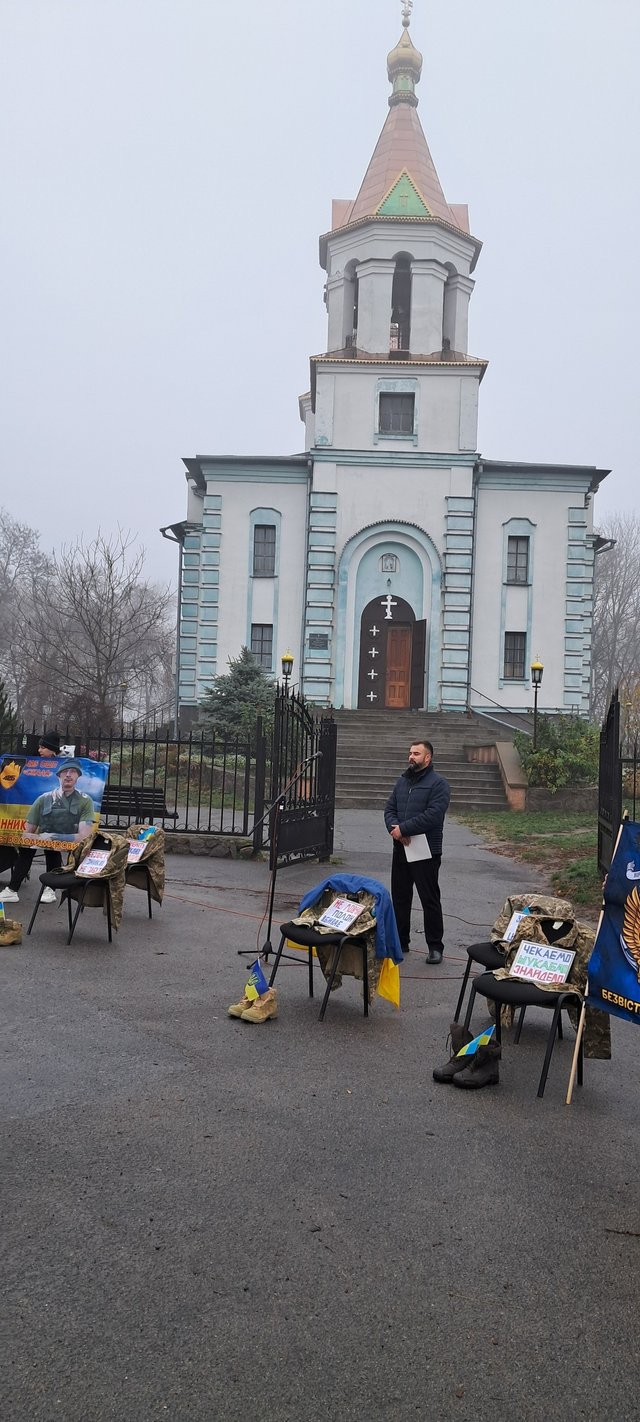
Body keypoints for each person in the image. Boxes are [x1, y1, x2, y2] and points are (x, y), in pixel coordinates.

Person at [384, 740, 451, 964]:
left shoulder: (438, 784)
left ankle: (435, 946)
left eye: (416, 753)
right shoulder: (402, 781)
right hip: (401, 846)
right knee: (400, 897)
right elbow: (390, 808)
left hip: (425, 848)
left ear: (427, 758)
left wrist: (404, 828)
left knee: (429, 898)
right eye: (410, 752)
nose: (411, 757)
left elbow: (433, 815)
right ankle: (401, 941)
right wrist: (395, 829)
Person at [0, 733, 64, 905]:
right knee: (27, 850)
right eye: (40, 747)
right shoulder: (35, 764)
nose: (39, 750)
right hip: (35, 817)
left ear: (52, 750)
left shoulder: (63, 766)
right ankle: (13, 889)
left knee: (52, 851)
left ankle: (50, 889)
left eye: (43, 747)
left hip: (53, 817)